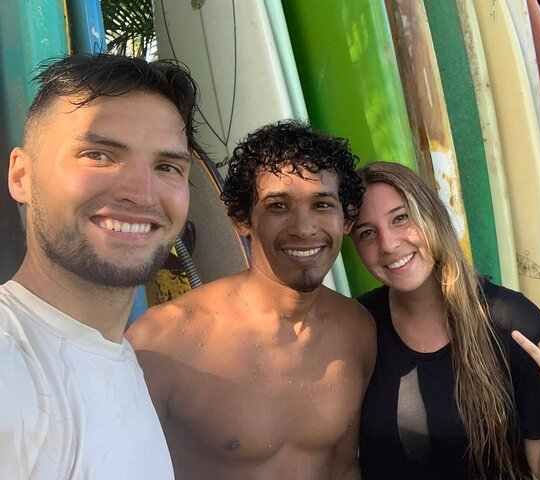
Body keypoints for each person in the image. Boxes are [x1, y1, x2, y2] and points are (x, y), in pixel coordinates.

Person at [126, 120, 376, 479]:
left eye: (322, 205)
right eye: (278, 206)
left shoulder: (357, 331)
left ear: (347, 220)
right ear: (242, 219)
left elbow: (344, 469)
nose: (304, 228)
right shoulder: (162, 340)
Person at [0, 53, 200, 479]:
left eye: (166, 166)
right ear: (21, 176)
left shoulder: (116, 357)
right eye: (99, 155)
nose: (142, 194)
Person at [349, 162, 540, 480]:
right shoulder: (357, 326)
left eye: (401, 218)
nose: (388, 244)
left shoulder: (512, 323)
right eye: (367, 233)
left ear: (433, 216)